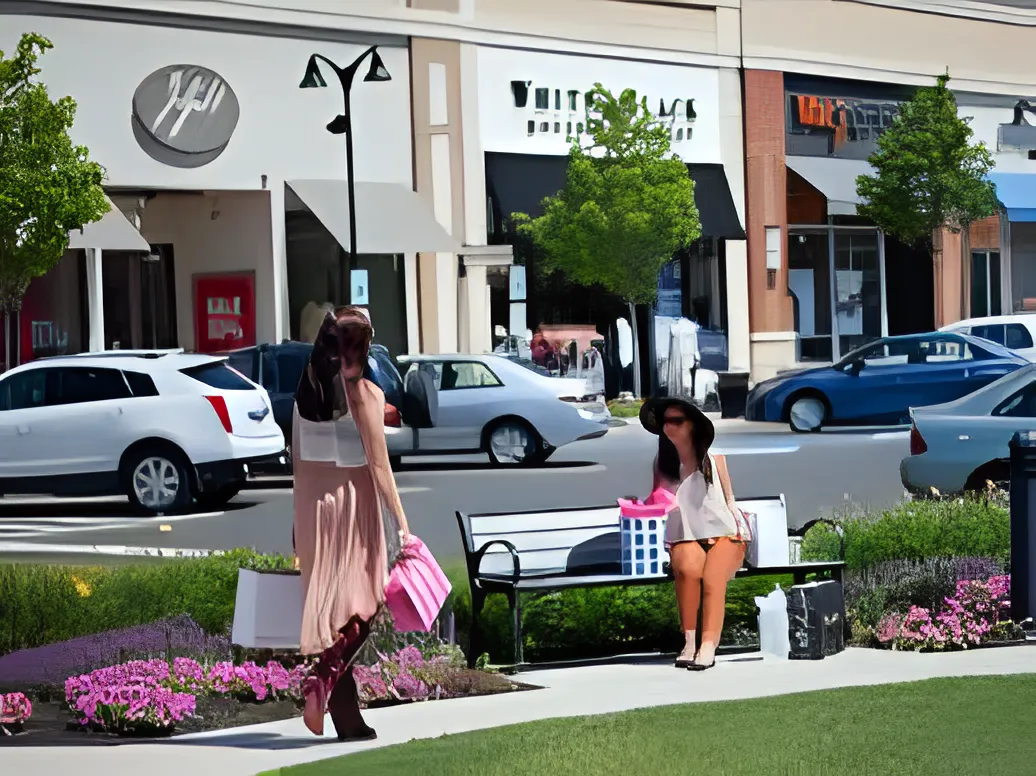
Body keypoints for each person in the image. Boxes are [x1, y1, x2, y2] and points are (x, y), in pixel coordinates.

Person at [293, 306, 409, 739]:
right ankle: (321, 679)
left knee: (332, 611)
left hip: (313, 510)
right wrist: (402, 522)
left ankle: (344, 714)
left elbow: (299, 466)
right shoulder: (368, 396)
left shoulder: (304, 399)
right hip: (356, 507)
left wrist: (296, 519)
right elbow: (381, 469)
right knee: (368, 604)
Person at [640, 397, 750, 671]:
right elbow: (659, 501)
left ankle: (708, 646)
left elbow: (730, 503)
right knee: (687, 571)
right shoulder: (663, 463)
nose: (669, 427)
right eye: (665, 422)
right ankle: (689, 642)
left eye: (676, 421)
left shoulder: (714, 459)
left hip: (726, 535)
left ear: (693, 425)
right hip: (685, 536)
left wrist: (735, 530)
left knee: (713, 578)